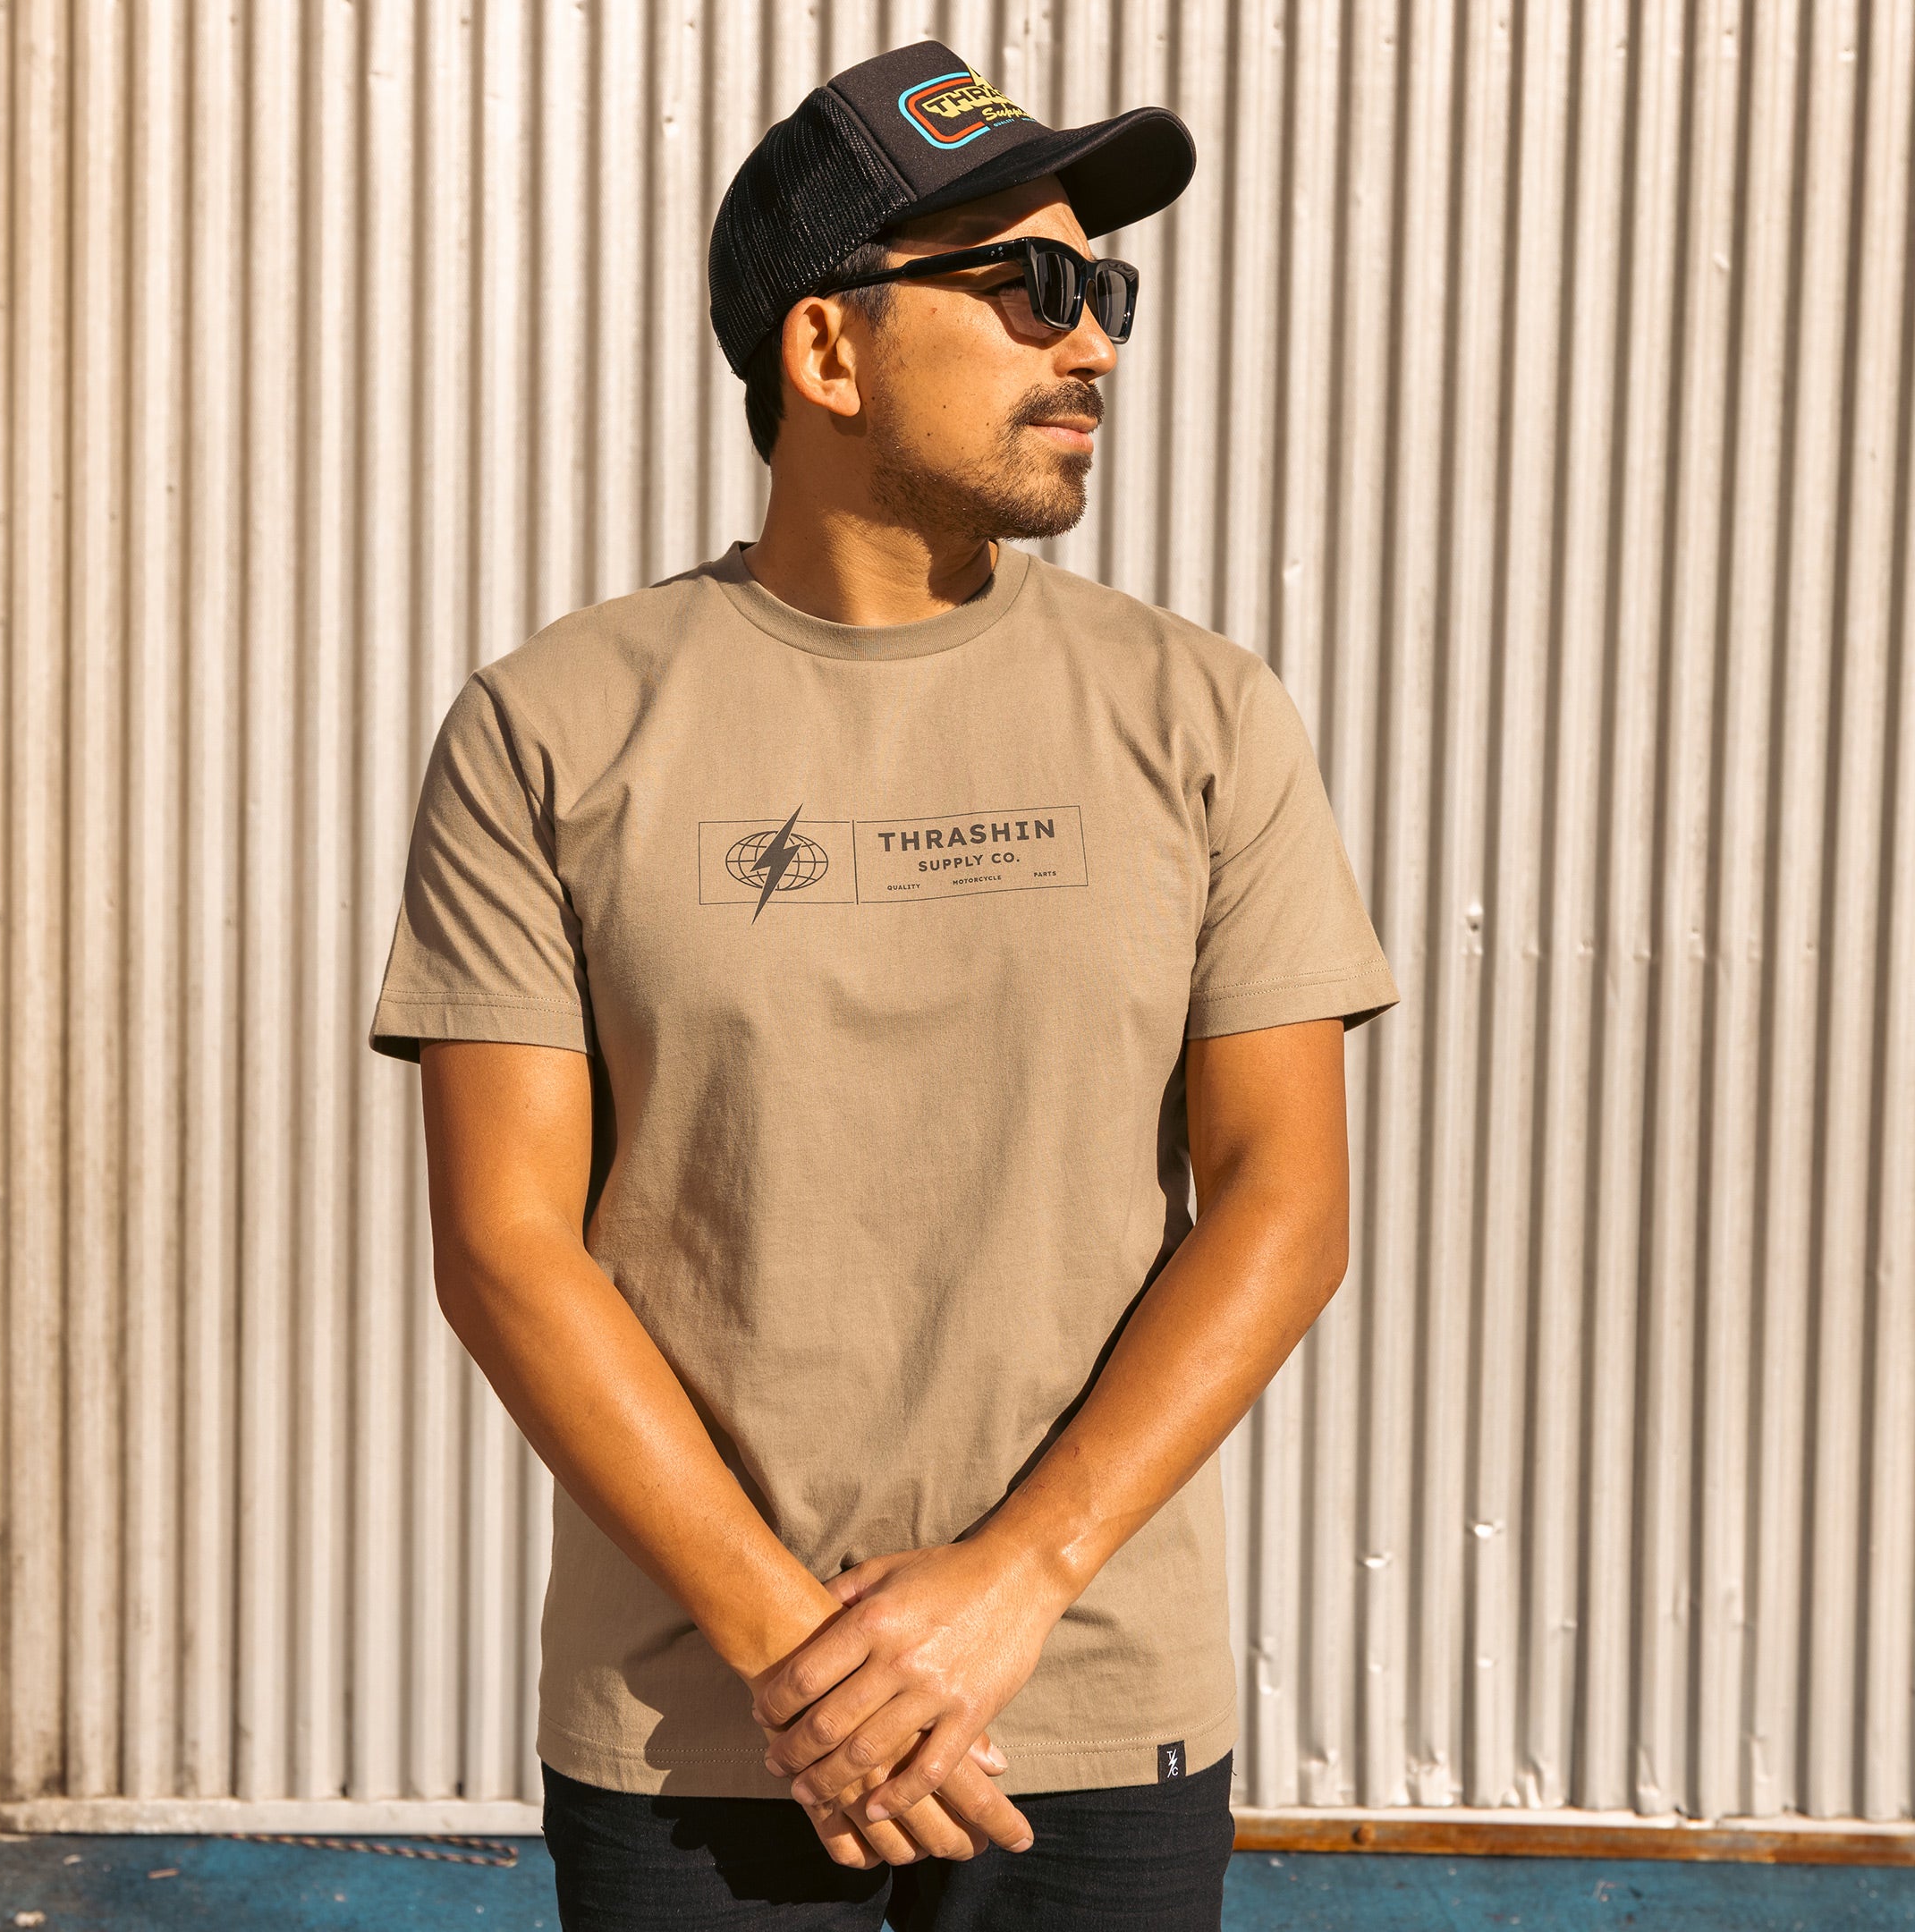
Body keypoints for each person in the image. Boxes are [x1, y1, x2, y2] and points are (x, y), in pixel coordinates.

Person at [369, 38, 1399, 1932]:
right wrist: (805, 1657)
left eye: (1104, 293)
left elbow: (1286, 1198)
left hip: (1089, 1710)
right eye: (1030, 286)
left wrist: (1013, 1586)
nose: (1090, 346)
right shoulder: (553, 727)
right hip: (700, 1730)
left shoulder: (1202, 714)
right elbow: (505, 1245)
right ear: (826, 352)